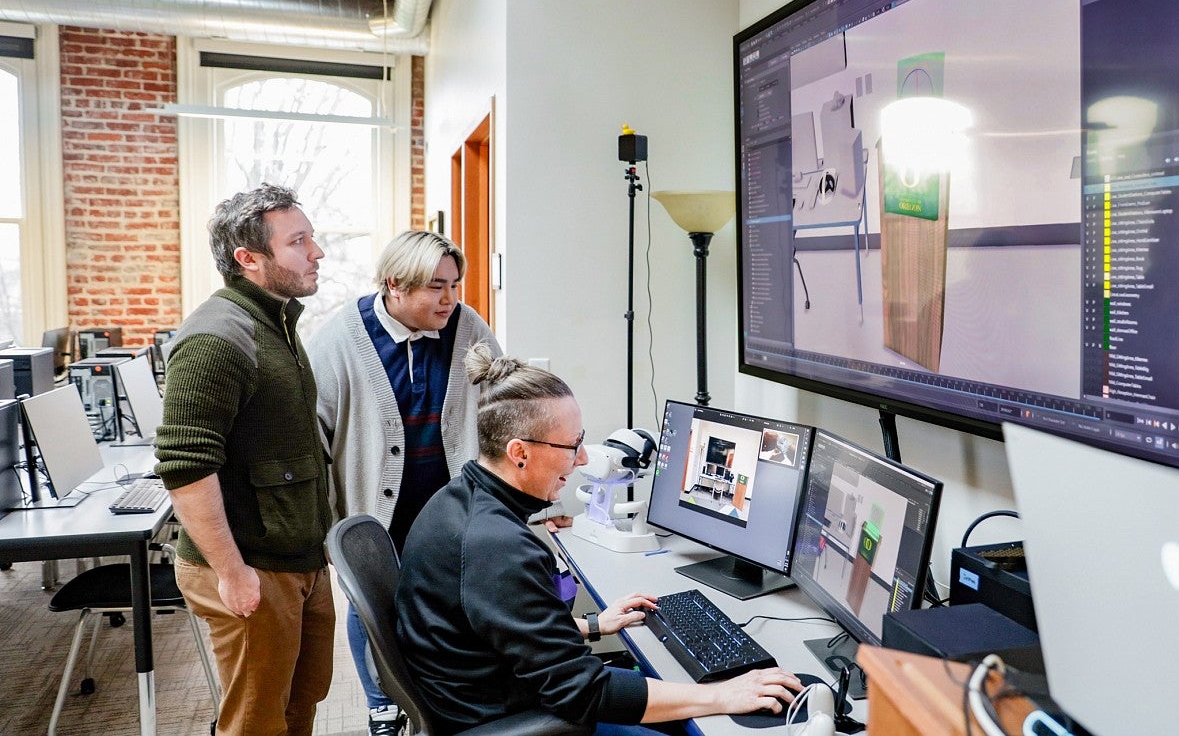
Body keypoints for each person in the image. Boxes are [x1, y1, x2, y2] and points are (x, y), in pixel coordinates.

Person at [396, 350, 803, 734]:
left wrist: (591, 625)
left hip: (481, 691)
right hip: (508, 717)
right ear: (519, 452)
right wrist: (722, 694)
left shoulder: (460, 499)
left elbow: (492, 624)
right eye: (572, 446)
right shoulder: (496, 547)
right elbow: (584, 693)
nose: (583, 460)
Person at [155, 183, 335, 736]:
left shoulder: (276, 321)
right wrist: (233, 575)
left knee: (298, 704)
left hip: (296, 555)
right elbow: (185, 466)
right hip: (250, 566)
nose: (317, 251)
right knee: (255, 722)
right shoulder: (217, 335)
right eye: (299, 241)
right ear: (249, 259)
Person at [309, 230, 501, 736]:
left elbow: (504, 409)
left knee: (452, 596)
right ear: (394, 284)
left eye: (455, 285)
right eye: (435, 287)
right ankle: (380, 701)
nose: (449, 299)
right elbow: (314, 439)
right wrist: (327, 526)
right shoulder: (341, 338)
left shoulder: (466, 327)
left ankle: (447, 689)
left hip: (449, 500)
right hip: (377, 507)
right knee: (374, 602)